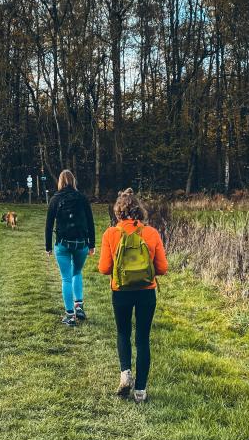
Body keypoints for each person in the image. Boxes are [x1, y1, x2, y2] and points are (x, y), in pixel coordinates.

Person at [98, 188, 168, 402]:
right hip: (146, 292)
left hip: (120, 291)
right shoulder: (151, 233)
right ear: (140, 210)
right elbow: (162, 268)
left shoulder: (111, 233)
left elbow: (103, 268)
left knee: (123, 333)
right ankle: (140, 391)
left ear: (118, 211)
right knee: (143, 339)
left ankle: (125, 373)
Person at [45, 169, 96, 326]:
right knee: (77, 272)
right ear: (73, 181)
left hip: (63, 243)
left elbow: (48, 225)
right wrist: (92, 244)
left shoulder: (55, 199)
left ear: (60, 182)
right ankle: (79, 306)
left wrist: (48, 247)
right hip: (81, 243)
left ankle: (69, 315)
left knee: (66, 278)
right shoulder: (82, 198)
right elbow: (90, 221)